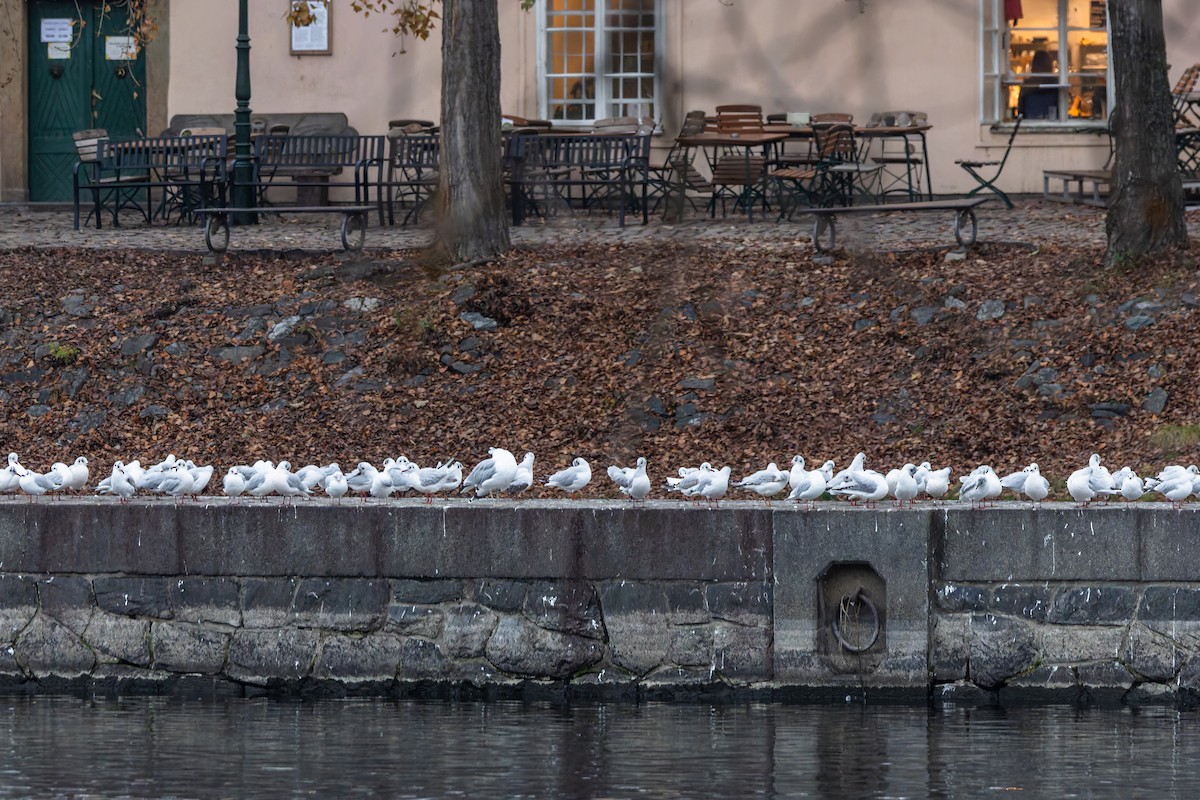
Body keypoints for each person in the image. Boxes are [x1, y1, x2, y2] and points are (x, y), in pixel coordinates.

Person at [1018, 50, 1059, 120]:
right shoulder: (1055, 83)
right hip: (1052, 122)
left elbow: (1021, 110)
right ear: (1050, 65)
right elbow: (1061, 108)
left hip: (1030, 122)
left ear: (1033, 65)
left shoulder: (1027, 84)